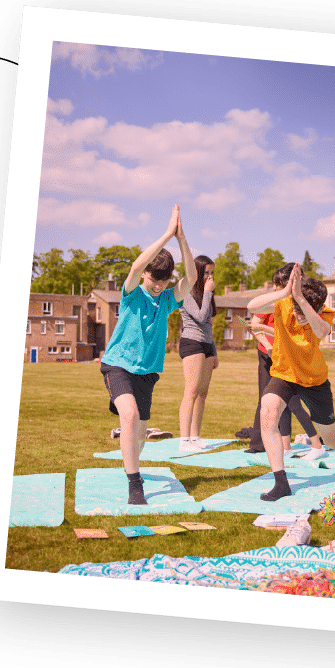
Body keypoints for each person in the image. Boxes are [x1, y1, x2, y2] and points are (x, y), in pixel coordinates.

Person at [246, 264, 335, 501]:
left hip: (314, 380)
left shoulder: (322, 313)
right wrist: (287, 292)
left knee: (329, 437)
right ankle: (281, 482)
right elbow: (252, 306)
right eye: (296, 308)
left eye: (303, 309)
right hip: (284, 374)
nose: (298, 314)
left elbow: (321, 331)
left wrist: (301, 301)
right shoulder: (285, 303)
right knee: (268, 412)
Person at [98, 205, 184, 507]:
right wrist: (165, 235)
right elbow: (136, 266)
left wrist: (181, 237)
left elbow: (193, 279)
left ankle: (131, 455)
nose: (159, 286)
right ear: (146, 274)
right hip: (118, 364)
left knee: (141, 435)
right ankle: (135, 483)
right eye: (154, 280)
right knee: (130, 416)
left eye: (164, 281)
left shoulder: (168, 299)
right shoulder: (132, 292)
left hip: (147, 372)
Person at [244, 271, 322, 456]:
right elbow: (253, 308)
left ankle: (317, 444)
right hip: (271, 355)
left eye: (279, 285)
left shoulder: (296, 307)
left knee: (293, 403)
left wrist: (264, 330)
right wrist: (266, 341)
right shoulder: (277, 304)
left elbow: (292, 335)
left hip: (286, 359)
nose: (274, 288)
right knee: (275, 402)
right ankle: (285, 447)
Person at [175, 221, 218, 441]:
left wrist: (214, 351)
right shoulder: (185, 289)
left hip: (206, 345)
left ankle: (195, 437)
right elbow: (200, 317)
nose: (210, 277)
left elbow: (208, 323)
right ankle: (184, 440)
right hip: (191, 343)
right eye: (206, 273)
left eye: (212, 273)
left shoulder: (205, 292)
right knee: (191, 392)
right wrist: (209, 293)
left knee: (203, 393)